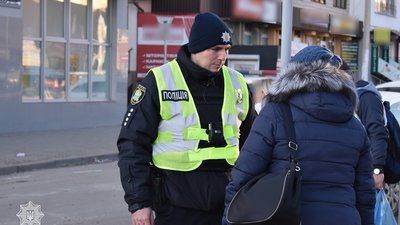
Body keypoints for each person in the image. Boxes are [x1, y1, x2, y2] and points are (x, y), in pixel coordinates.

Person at [117, 12, 255, 225]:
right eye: (215, 49)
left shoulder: (238, 84)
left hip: (228, 205)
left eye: (226, 50)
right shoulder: (160, 81)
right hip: (176, 207)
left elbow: (255, 145)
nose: (223, 57)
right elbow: (133, 145)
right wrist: (139, 204)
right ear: (196, 47)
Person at [223, 46, 376, 225]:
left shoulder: (275, 114)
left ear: (291, 75)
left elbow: (244, 174)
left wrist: (228, 218)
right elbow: (365, 194)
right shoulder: (355, 125)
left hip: (289, 217)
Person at [341, 61, 388, 190]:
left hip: (367, 171)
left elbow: (377, 132)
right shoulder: (344, 99)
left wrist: (377, 169)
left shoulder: (366, 97)